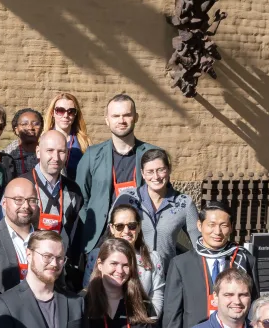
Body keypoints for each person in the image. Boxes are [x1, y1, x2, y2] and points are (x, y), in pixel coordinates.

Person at [159, 203, 254, 328]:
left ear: (231, 227)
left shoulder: (243, 259)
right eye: (211, 224)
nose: (217, 231)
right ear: (199, 225)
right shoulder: (181, 263)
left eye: (223, 225)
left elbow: (255, 305)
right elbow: (172, 315)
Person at [74, 93, 156, 248]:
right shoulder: (92, 155)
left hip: (139, 238)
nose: (121, 120)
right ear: (107, 120)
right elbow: (79, 198)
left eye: (127, 115)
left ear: (136, 117)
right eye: (116, 116)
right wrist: (90, 225)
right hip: (100, 239)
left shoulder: (151, 154)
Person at [83, 237, 163, 328]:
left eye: (126, 265)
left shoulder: (144, 305)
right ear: (100, 264)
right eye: (114, 263)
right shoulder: (83, 303)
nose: (120, 270)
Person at [30, 129, 88, 270]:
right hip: (29, 267)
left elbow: (75, 236)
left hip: (60, 269)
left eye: (61, 151)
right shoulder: (22, 186)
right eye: (49, 150)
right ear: (38, 151)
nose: (55, 157)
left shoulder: (74, 191)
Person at [136, 147, 199, 267]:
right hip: (134, 275)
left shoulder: (184, 203)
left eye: (161, 170)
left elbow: (199, 243)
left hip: (167, 275)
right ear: (142, 173)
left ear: (169, 170)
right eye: (150, 171)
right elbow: (113, 236)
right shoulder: (130, 198)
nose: (156, 176)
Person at [104, 202, 163, 316]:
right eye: (120, 226)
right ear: (111, 228)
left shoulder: (153, 258)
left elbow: (157, 296)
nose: (126, 231)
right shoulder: (97, 256)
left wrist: (148, 322)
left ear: (139, 227)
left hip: (141, 323)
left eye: (131, 226)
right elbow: (91, 292)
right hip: (106, 324)